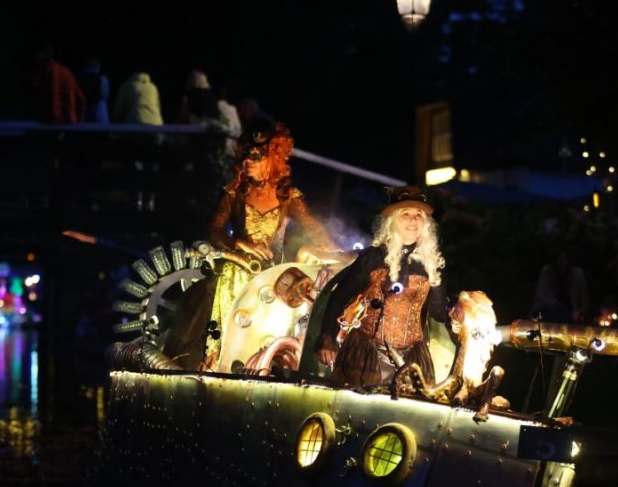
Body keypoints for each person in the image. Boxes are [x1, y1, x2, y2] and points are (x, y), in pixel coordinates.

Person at [162, 119, 337, 369]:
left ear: (273, 159)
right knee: (221, 308)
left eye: (255, 156)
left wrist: (335, 251)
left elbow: (316, 229)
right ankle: (216, 363)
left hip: (271, 278)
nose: (247, 162)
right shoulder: (234, 193)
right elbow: (212, 232)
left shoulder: (288, 197)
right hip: (234, 272)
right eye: (245, 156)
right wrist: (239, 243)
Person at [316, 186, 450, 388]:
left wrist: (460, 313)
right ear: (394, 220)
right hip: (367, 355)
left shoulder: (431, 263)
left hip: (413, 360)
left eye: (419, 215)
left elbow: (439, 311)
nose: (413, 221)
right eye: (406, 214)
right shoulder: (373, 258)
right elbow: (339, 297)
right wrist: (328, 339)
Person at [530, 246, 589, 323]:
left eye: (565, 258)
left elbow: (584, 297)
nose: (563, 262)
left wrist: (581, 312)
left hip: (571, 314)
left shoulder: (577, 274)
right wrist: (556, 304)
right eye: (560, 259)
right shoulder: (547, 272)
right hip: (550, 311)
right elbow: (540, 295)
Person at [30, 42, 85, 123]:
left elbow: (34, 94)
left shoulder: (43, 70)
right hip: (68, 121)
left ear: (42, 53)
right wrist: (79, 120)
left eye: (34, 53)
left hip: (47, 121)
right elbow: (81, 99)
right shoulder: (67, 71)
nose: (32, 56)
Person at [76, 55, 109, 124]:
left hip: (94, 115)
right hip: (96, 116)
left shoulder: (102, 79)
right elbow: (106, 95)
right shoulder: (103, 79)